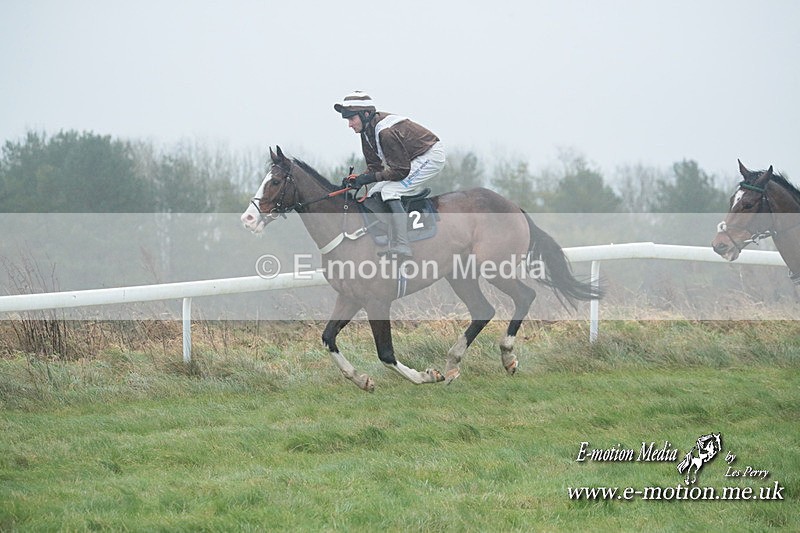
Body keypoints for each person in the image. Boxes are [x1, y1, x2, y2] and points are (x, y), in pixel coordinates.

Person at [334, 91, 445, 258]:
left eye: (351, 119)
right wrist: (358, 179)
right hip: (410, 161)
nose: (349, 124)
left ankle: (403, 244)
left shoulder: (384, 132)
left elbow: (400, 171)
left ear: (365, 114)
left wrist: (368, 178)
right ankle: (387, 238)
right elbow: (375, 168)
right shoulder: (366, 132)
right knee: (373, 193)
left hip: (430, 156)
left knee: (389, 191)